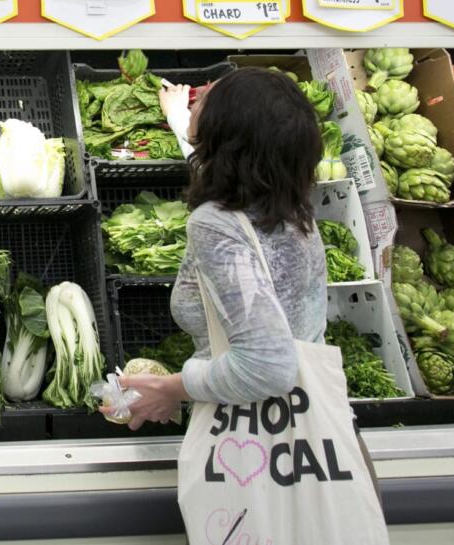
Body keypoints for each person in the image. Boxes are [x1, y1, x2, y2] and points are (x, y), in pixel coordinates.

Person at [103, 67, 325, 425]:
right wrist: (177, 117)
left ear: (228, 131)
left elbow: (268, 368)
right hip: (309, 422)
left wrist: (173, 389)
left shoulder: (217, 225)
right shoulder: (288, 210)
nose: (197, 96)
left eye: (208, 96)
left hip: (250, 435)